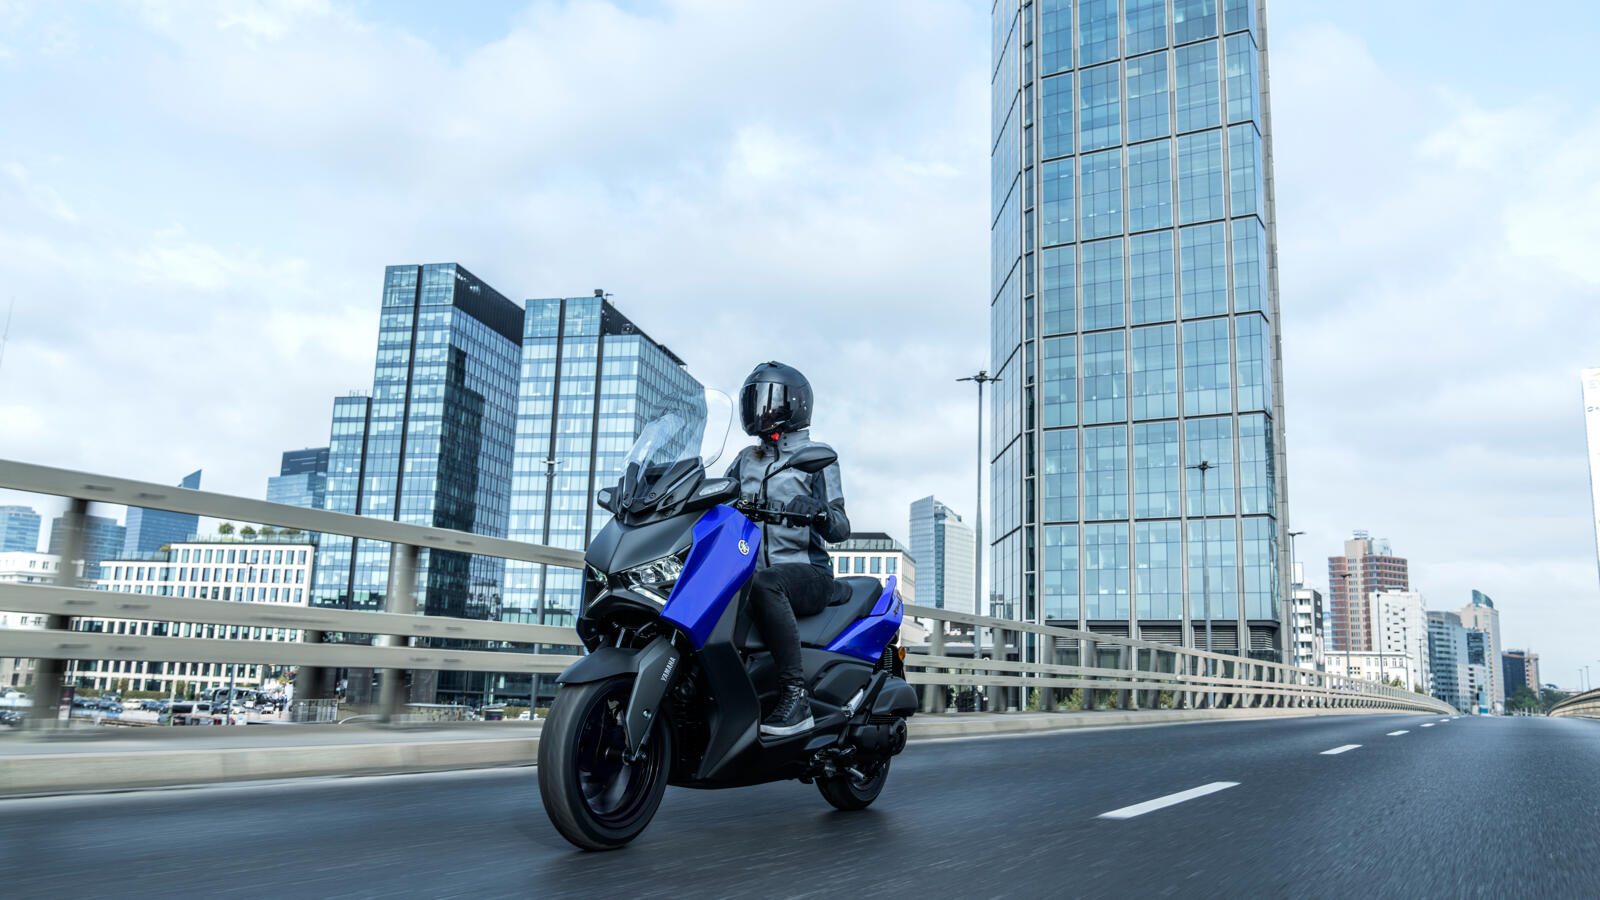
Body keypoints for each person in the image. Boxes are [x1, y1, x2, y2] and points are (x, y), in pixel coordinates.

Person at [725, 361, 851, 737]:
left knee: (767, 583)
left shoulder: (816, 457)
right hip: (751, 573)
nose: (760, 410)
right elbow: (714, 499)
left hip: (807, 573)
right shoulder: (746, 459)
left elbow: (841, 527)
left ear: (794, 405)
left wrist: (818, 511)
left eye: (769, 401)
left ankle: (796, 698)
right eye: (754, 401)